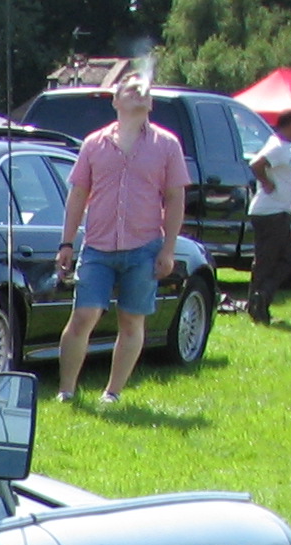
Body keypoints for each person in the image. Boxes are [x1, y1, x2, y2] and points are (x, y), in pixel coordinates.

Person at [55, 78, 190, 404]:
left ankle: (112, 393)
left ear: (151, 104)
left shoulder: (167, 145)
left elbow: (175, 198)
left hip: (144, 247)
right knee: (84, 315)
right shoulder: (94, 143)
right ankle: (66, 391)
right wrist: (66, 243)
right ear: (115, 101)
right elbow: (78, 195)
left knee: (131, 320)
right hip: (98, 246)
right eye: (131, 90)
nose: (139, 94)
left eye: (145, 91)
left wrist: (169, 249)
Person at [248, 110, 291, 325]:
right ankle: (258, 304)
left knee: (284, 261)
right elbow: (256, 164)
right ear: (290, 124)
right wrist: (266, 182)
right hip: (271, 213)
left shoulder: (283, 146)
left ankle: (260, 300)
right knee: (270, 262)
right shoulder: (278, 146)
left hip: (278, 212)